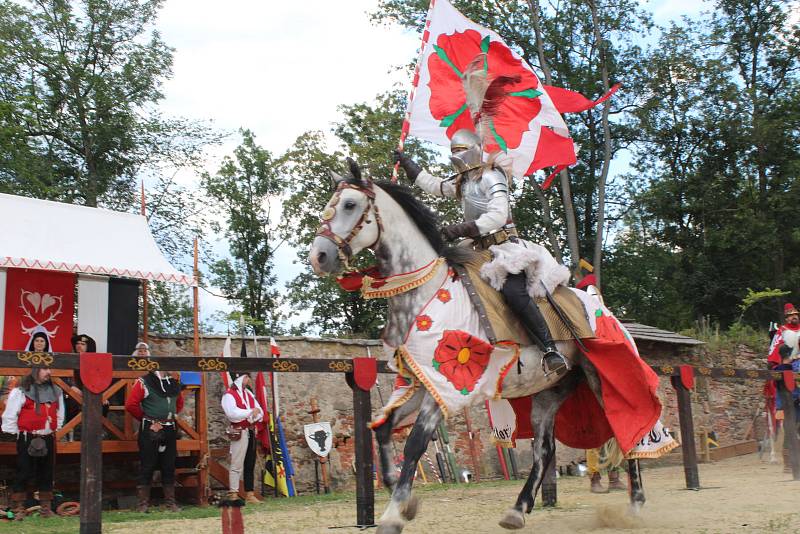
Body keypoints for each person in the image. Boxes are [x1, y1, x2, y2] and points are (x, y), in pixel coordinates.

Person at [394, 132, 570, 376]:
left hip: (503, 249)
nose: (456, 155)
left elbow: (498, 215)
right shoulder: (463, 182)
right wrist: (409, 165)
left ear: (474, 149)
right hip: (475, 249)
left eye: (460, 149)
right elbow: (435, 186)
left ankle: (550, 350)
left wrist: (460, 228)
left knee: (514, 293)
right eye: (453, 150)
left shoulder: (492, 176)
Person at [125, 342, 184, 513]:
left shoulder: (173, 382)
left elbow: (178, 404)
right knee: (148, 464)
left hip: (169, 428)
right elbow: (131, 404)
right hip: (151, 428)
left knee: (169, 464)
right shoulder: (144, 381)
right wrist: (148, 419)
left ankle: (170, 502)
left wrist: (168, 416)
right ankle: (143, 504)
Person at [1, 365, 65, 520]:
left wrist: (53, 427)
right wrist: (18, 433)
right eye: (44, 369)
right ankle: (19, 510)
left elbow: (60, 413)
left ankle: (45, 510)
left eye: (50, 369)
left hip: (48, 437)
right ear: (35, 371)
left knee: (46, 473)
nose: (48, 372)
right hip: (27, 437)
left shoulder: (56, 391)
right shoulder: (20, 391)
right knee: (24, 472)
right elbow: (11, 414)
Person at [221, 372, 263, 504]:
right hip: (240, 431)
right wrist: (249, 413)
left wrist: (252, 415)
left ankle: (249, 494)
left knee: (250, 463)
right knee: (236, 464)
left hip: (250, 431)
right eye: (246, 377)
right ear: (239, 378)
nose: (248, 379)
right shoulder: (229, 395)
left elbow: (259, 411)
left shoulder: (249, 394)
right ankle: (233, 493)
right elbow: (232, 413)